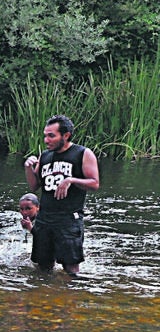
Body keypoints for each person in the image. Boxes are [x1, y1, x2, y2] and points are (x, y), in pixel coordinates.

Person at [23, 114, 100, 275]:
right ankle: (44, 298)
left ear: (66, 135)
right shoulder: (45, 156)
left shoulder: (82, 153)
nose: (46, 140)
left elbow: (94, 183)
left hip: (68, 220)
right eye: (45, 136)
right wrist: (28, 168)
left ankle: (69, 298)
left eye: (51, 136)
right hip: (44, 219)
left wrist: (70, 180)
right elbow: (34, 186)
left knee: (71, 268)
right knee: (43, 267)